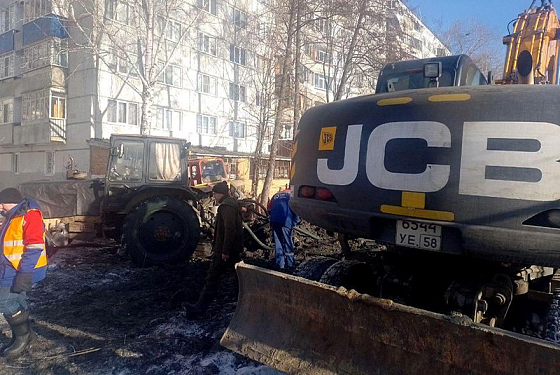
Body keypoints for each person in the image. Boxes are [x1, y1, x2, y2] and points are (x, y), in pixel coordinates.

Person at [185, 181, 243, 317]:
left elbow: (230, 229)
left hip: (225, 250)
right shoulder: (229, 205)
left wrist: (225, 251)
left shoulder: (226, 207)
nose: (214, 197)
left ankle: (200, 308)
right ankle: (240, 302)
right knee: (236, 276)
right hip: (229, 249)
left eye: (215, 194)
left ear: (220, 193)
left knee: (213, 277)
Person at [0, 187, 47, 358]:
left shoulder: (29, 215)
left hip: (20, 269)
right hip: (10, 268)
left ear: (5, 202)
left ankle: (23, 337)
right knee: (18, 299)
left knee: (3, 302)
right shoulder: (13, 216)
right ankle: (25, 336)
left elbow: (34, 247)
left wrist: (25, 273)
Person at [268, 190, 301, 270]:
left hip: (274, 220)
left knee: (278, 241)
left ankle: (280, 264)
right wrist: (295, 222)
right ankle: (290, 263)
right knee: (287, 242)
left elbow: (269, 209)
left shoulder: (276, 195)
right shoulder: (292, 196)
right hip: (285, 220)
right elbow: (297, 211)